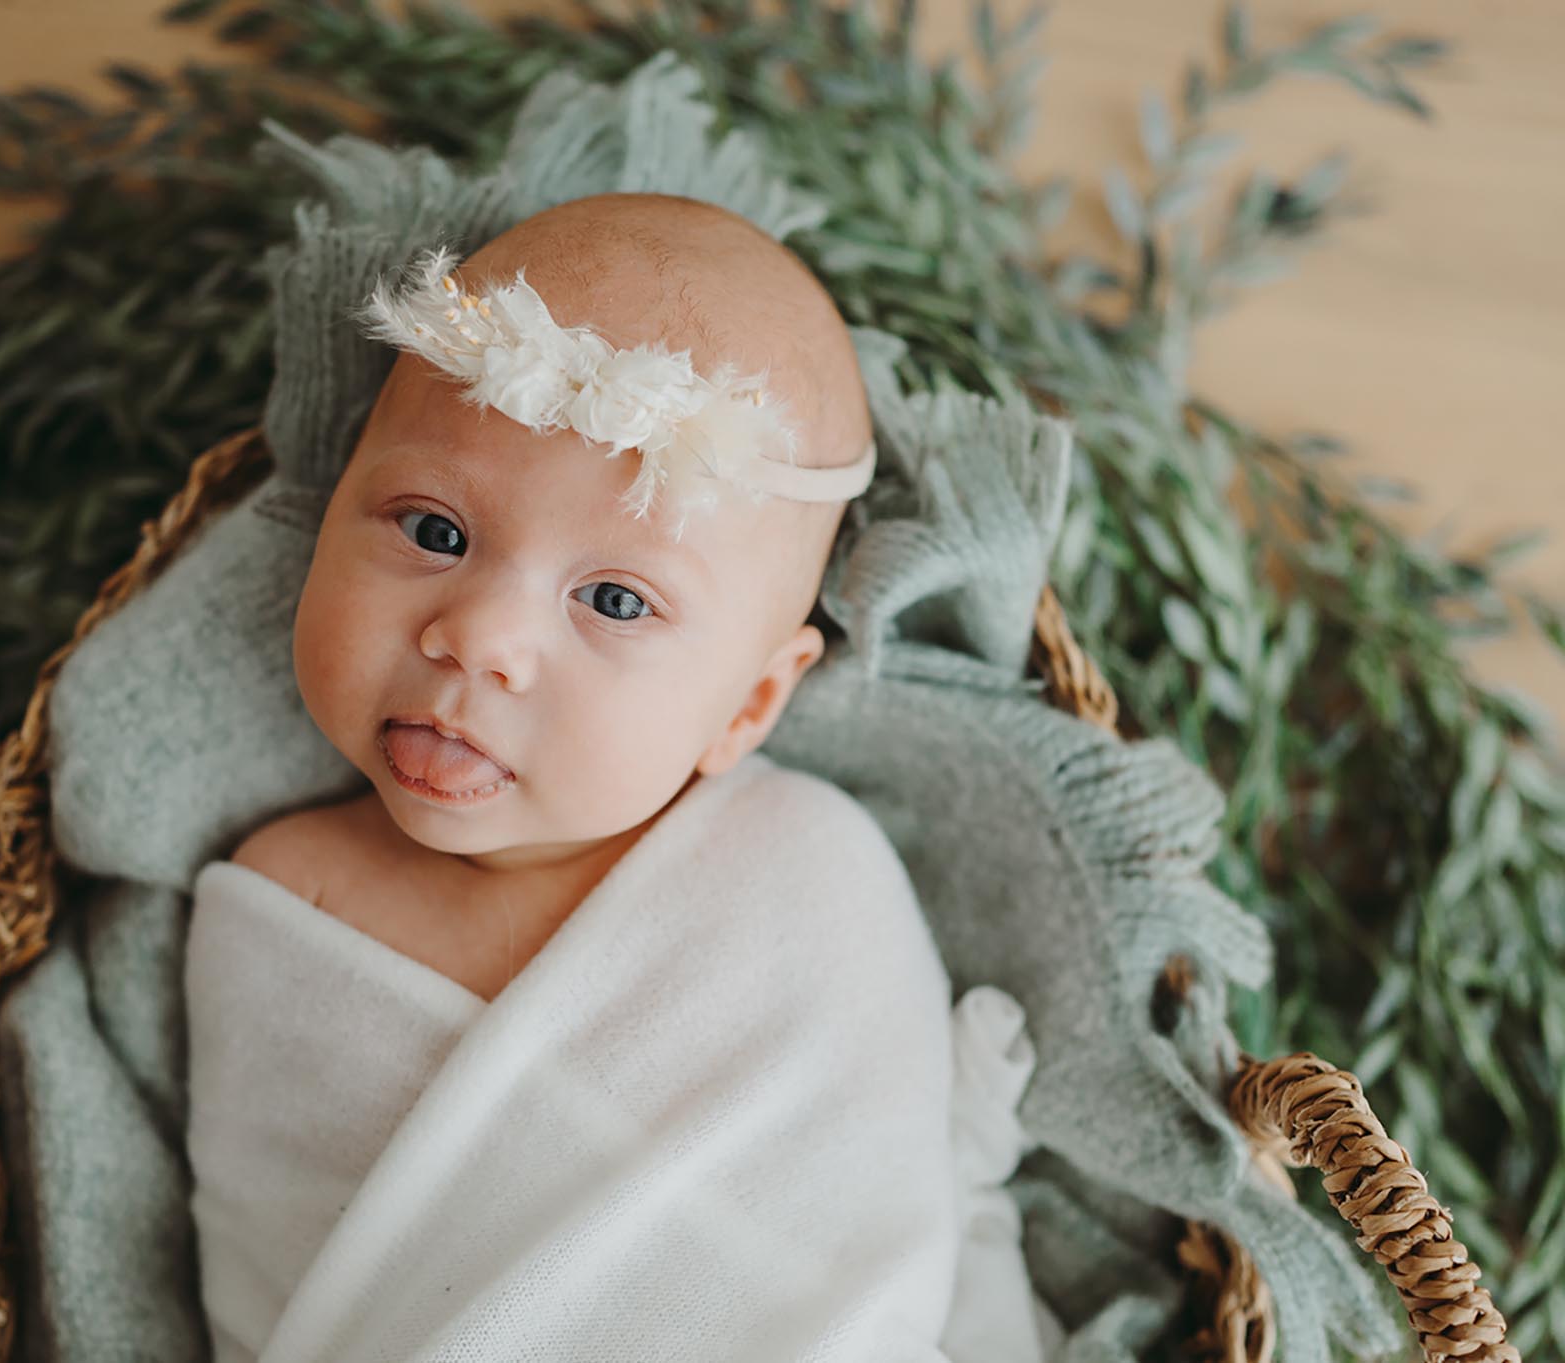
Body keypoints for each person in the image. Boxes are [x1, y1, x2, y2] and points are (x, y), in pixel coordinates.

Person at [182, 191, 1047, 1363]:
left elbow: (863, 1224)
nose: (479, 636)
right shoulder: (288, 896)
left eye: (614, 600)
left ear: (744, 705)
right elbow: (253, 1254)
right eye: (434, 529)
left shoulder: (804, 871)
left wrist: (957, 1189)